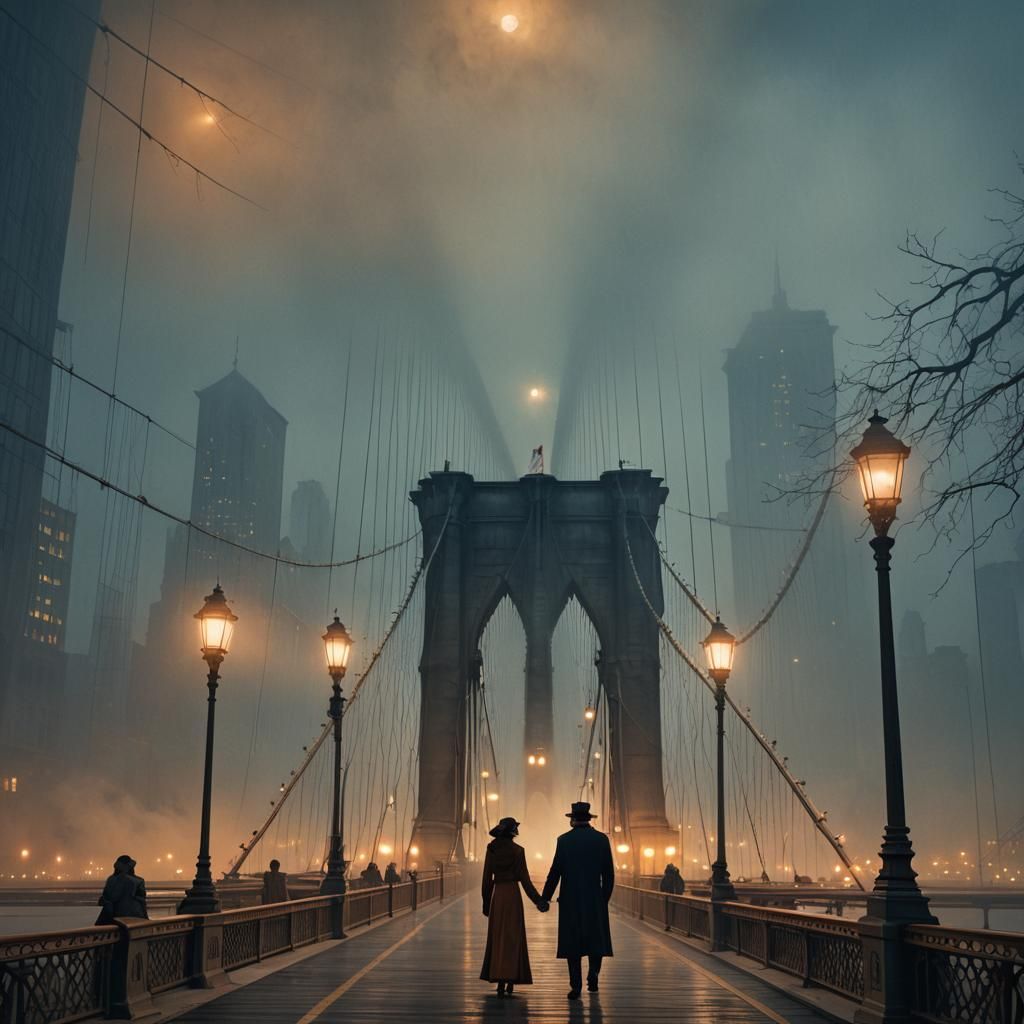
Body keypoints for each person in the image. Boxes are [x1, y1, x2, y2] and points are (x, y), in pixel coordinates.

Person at [541, 802, 614, 1000]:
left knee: (572, 943)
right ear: (589, 818)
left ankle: (575, 986)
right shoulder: (601, 840)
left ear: (572, 819)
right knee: (595, 940)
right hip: (594, 898)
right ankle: (594, 973)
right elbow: (609, 874)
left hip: (570, 899)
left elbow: (555, 872)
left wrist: (545, 898)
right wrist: (603, 898)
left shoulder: (563, 840)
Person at [480, 817, 547, 998]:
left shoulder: (491, 848)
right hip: (513, 896)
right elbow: (525, 880)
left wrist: (486, 903)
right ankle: (511, 980)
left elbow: (487, 878)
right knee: (513, 937)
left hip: (498, 896)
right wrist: (539, 900)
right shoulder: (518, 851)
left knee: (498, 937)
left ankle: (499, 980)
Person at [96, 855, 148, 924]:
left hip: (115, 917)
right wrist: (146, 919)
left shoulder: (111, 880)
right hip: (135, 917)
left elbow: (107, 898)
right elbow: (142, 902)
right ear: (131, 868)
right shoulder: (138, 881)